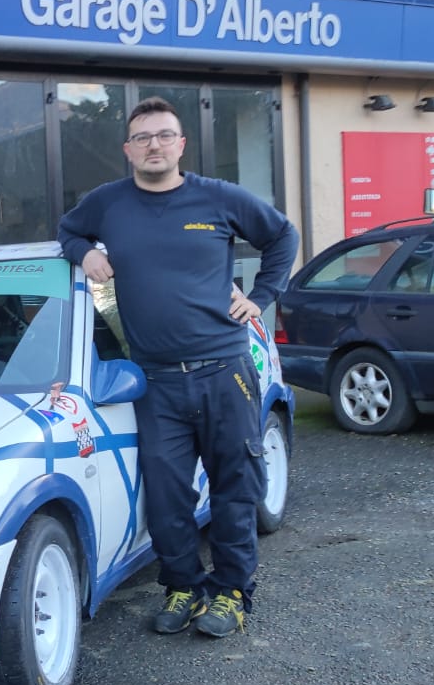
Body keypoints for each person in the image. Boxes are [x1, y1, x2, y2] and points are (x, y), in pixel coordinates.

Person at [58, 98, 298, 638]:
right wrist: (82, 251)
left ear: (181, 144)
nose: (154, 146)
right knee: (167, 495)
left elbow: (283, 236)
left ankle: (234, 593)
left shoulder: (218, 198)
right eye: (142, 138)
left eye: (165, 135)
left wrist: (260, 296)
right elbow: (67, 229)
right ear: (127, 149)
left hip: (225, 370)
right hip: (156, 379)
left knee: (234, 486)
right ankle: (183, 586)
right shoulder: (108, 204)